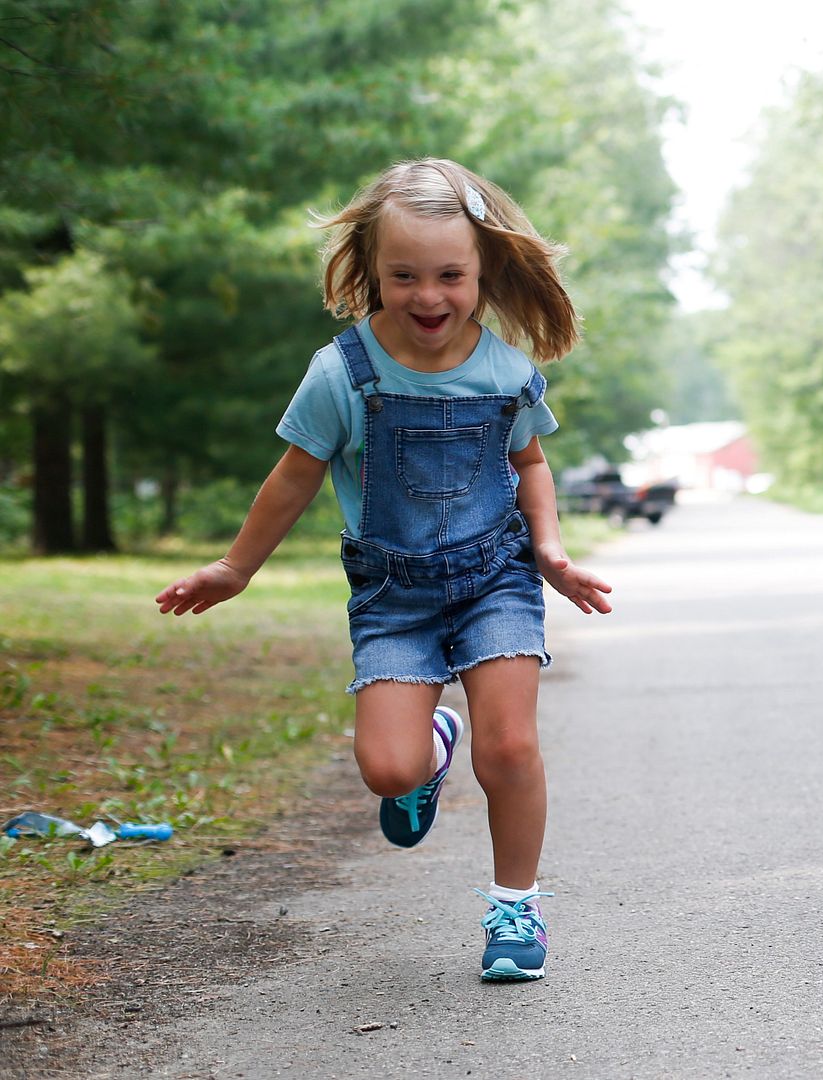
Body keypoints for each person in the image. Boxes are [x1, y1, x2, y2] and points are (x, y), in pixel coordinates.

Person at [155, 159, 611, 979]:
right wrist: (235, 567)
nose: (428, 296)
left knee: (509, 747)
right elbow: (293, 475)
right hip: (394, 595)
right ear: (371, 272)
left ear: (483, 272)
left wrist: (548, 550)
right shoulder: (343, 373)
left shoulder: (506, 370)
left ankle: (516, 913)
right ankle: (429, 748)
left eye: (449, 276)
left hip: (494, 579)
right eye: (404, 276)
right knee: (387, 769)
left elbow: (532, 463)